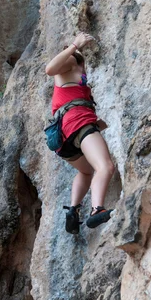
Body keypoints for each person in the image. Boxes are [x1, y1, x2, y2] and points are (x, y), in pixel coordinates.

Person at [45, 32, 115, 234]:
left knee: (86, 171)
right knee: (105, 166)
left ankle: (73, 211)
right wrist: (75, 44)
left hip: (65, 136)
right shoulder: (69, 62)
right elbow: (50, 69)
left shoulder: (78, 71)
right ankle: (96, 210)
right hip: (78, 124)